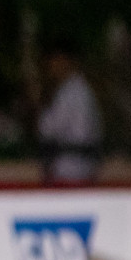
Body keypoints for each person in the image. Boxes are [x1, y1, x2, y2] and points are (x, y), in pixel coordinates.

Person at [35, 39, 103, 184]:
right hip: (82, 168)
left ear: (64, 60)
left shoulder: (71, 91)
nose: (51, 66)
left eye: (54, 60)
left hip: (70, 169)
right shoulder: (81, 88)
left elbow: (47, 129)